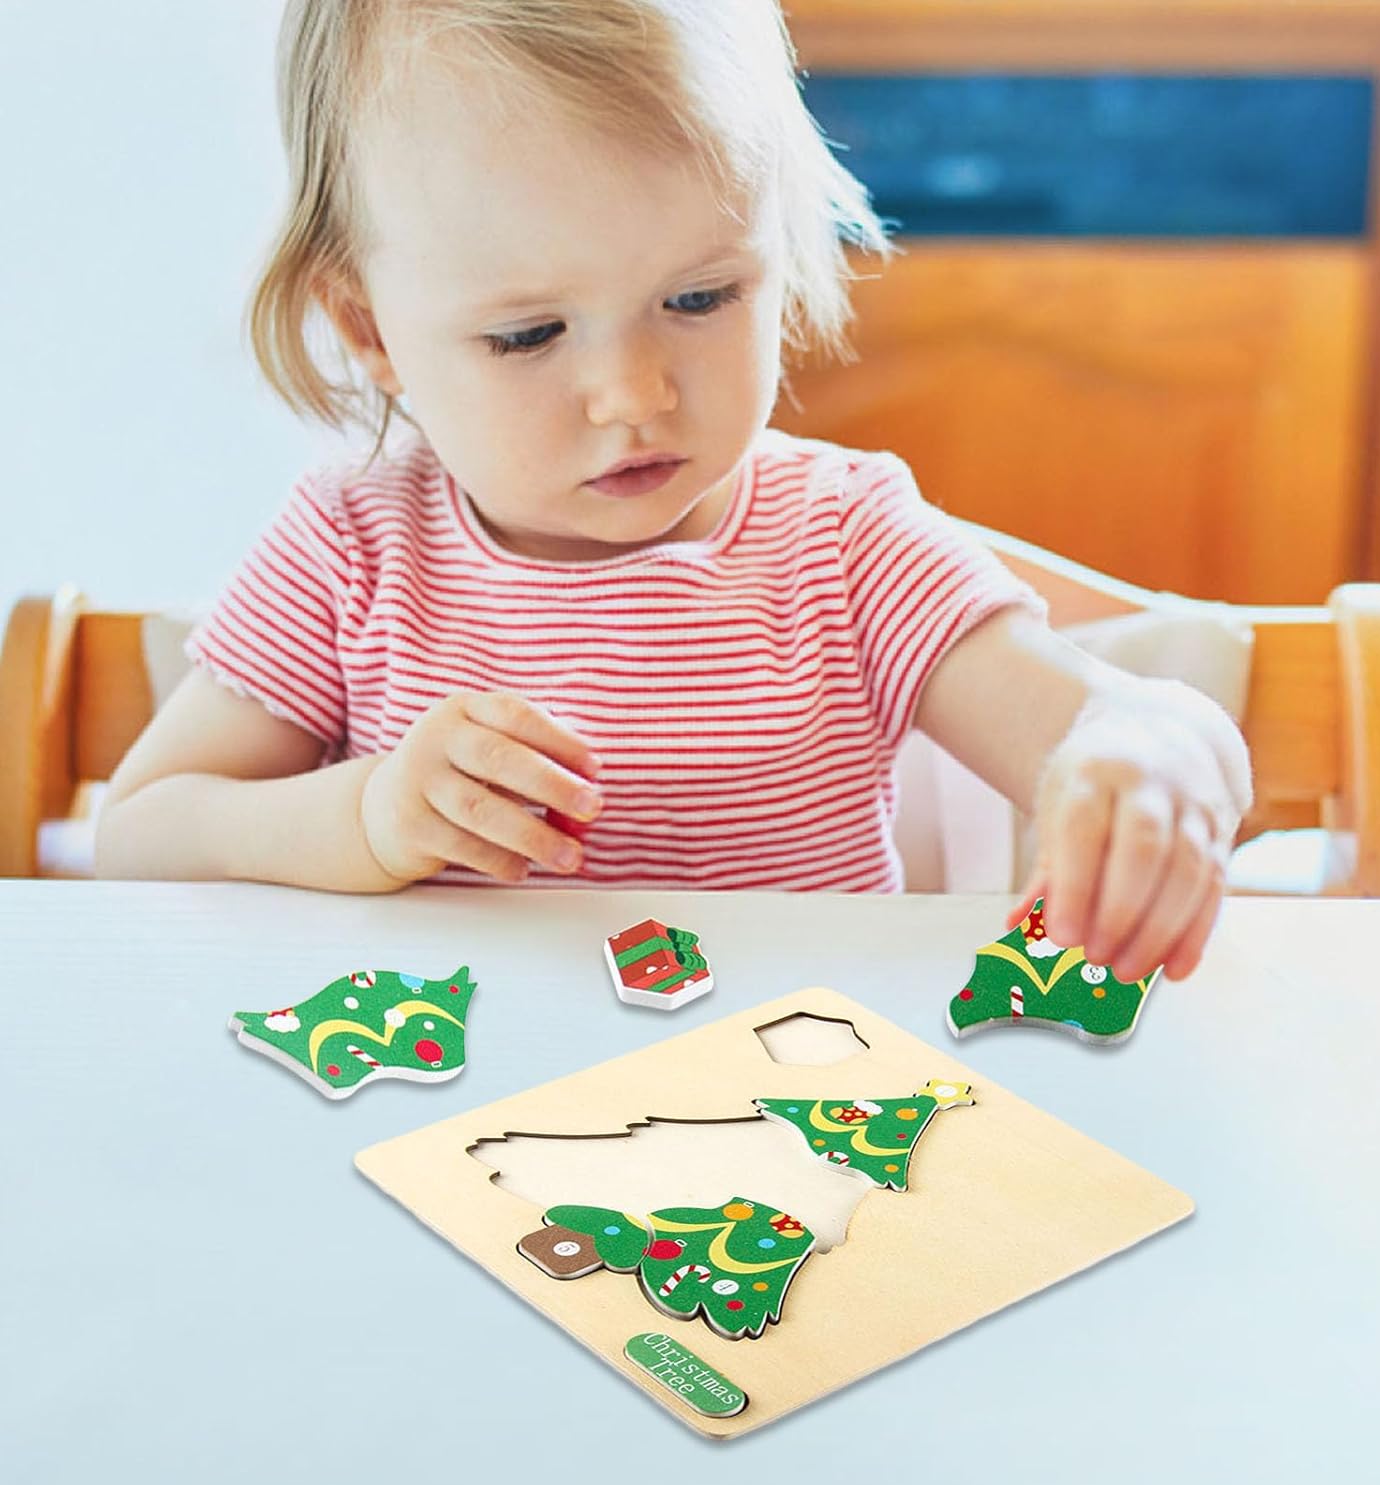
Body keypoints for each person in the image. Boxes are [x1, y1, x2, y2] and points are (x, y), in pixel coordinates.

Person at [96, 0, 1252, 985]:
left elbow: (1115, 714)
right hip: (446, 1126)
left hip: (793, 1124)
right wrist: (364, 816)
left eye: (700, 299)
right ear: (369, 329)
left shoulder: (844, 541)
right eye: (529, 334)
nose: (634, 395)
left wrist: (1150, 752)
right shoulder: (352, 549)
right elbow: (140, 832)